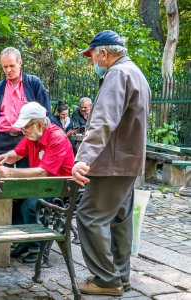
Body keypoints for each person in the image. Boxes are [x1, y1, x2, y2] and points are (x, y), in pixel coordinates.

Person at [72, 30, 150, 296]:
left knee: (89, 216)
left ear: (104, 53)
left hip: (112, 163)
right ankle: (121, 276)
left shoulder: (117, 74)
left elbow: (103, 120)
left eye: (93, 57)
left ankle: (107, 280)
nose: (92, 62)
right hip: (129, 162)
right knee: (119, 219)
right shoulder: (136, 72)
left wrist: (83, 159)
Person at [0, 102, 74, 263]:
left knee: (30, 205)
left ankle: (37, 247)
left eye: (26, 127)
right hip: (41, 185)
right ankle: (24, 240)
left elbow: (44, 172)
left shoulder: (57, 137)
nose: (23, 131)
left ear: (40, 124)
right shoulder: (33, 134)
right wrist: (6, 157)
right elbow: (17, 153)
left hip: (58, 189)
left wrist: (10, 172)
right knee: (13, 200)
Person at [0, 46, 59, 166]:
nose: (8, 70)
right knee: (1, 179)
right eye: (5, 67)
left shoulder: (33, 83)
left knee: (27, 178)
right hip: (2, 139)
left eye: (12, 66)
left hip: (27, 138)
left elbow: (46, 114)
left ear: (20, 63)